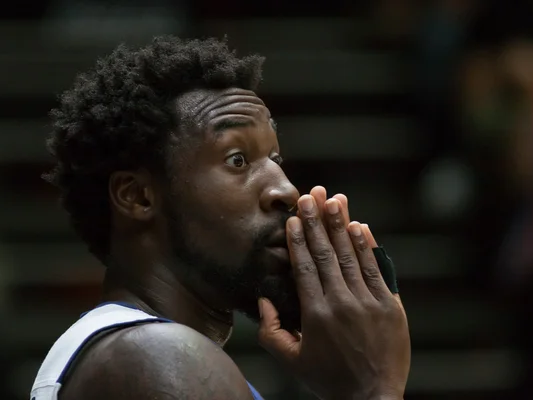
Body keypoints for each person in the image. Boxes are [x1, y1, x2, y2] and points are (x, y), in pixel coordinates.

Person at [31, 36, 411, 400]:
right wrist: (374, 389)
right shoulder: (162, 357)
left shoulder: (143, 357)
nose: (287, 191)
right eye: (238, 160)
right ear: (138, 196)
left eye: (275, 161)